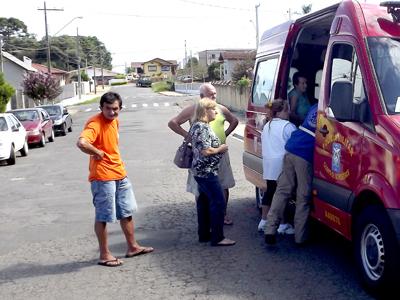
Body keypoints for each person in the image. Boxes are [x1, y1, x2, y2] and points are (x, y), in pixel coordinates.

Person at [77, 92, 153, 267]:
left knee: (126, 212)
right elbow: (82, 143)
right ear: (101, 108)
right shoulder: (95, 123)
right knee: (103, 216)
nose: (112, 113)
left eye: (115, 109)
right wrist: (96, 152)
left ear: (120, 108)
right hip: (103, 177)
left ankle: (132, 247)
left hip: (120, 173)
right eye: (108, 109)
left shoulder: (115, 121)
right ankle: (104, 255)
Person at [168, 83, 238, 225]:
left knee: (223, 185)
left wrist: (224, 135)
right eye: (210, 94)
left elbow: (234, 121)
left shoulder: (220, 109)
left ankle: (222, 215)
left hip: (220, 154)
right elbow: (173, 123)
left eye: (215, 93)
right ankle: (205, 218)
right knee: (200, 188)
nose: (214, 96)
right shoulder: (193, 109)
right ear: (201, 96)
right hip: (201, 155)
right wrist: (188, 136)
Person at [264, 103, 318, 245]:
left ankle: (270, 230)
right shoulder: (329, 109)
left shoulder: (315, 106)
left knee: (282, 191)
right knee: (303, 196)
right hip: (305, 153)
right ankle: (300, 237)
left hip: (292, 147)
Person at [189, 97, 235, 246]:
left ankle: (204, 234)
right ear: (205, 111)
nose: (216, 111)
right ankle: (218, 237)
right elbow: (206, 151)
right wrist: (221, 148)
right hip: (206, 171)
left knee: (203, 202)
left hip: (201, 171)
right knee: (218, 202)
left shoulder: (198, 125)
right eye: (213, 109)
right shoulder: (202, 127)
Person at [258, 99, 297, 234]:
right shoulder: (288, 126)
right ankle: (283, 224)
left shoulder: (267, 125)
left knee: (269, 191)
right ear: (281, 111)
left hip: (268, 163)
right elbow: (295, 144)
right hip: (281, 164)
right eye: (287, 110)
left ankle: (263, 220)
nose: (289, 113)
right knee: (283, 195)